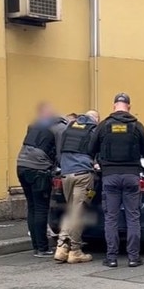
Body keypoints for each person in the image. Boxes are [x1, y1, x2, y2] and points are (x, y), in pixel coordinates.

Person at [89, 93, 144, 268]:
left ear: (114, 105)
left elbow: (90, 149)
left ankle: (112, 258)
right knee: (133, 217)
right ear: (129, 107)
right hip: (132, 176)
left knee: (111, 218)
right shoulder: (137, 126)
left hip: (110, 176)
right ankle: (133, 257)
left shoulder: (103, 125)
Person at [17, 102, 68, 258]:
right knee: (41, 208)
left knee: (32, 207)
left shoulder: (35, 124)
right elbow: (60, 154)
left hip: (21, 165)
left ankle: (36, 246)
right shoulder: (60, 128)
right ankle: (42, 248)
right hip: (39, 168)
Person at [54, 110, 100, 264]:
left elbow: (60, 152)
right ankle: (75, 251)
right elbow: (98, 153)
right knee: (78, 213)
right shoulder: (93, 130)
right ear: (95, 120)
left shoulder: (69, 127)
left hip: (66, 175)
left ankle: (61, 248)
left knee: (71, 211)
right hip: (83, 175)